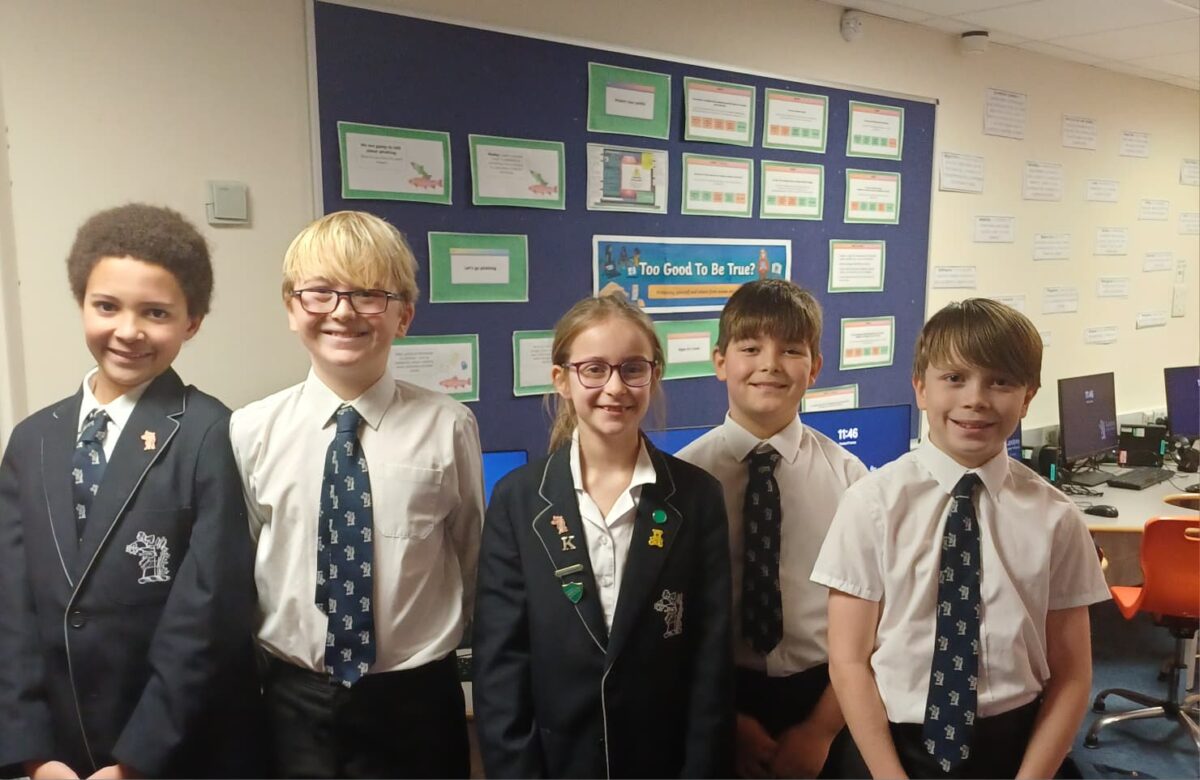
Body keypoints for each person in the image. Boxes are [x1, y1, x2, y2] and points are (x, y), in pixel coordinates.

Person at [0, 203, 262, 778]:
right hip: (59, 750)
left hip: (172, 749)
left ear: (191, 323)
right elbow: (11, 611)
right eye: (107, 306)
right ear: (82, 304)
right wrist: (32, 754)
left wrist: (134, 764)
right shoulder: (32, 440)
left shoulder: (209, 432)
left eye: (156, 312)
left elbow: (207, 621)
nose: (128, 330)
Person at [230, 211, 483, 778]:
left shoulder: (449, 426)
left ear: (404, 316)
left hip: (417, 703)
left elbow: (472, 558)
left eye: (369, 294)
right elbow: (242, 567)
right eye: (320, 292)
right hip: (295, 704)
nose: (343, 311)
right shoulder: (251, 430)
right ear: (291, 308)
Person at [813, 298, 1110, 778]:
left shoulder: (1057, 519)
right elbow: (848, 661)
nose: (976, 399)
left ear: (1028, 397)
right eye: (954, 378)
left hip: (1016, 748)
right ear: (920, 388)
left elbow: (1073, 675)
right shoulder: (870, 505)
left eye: (1001, 381)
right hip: (890, 747)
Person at [472, 292, 734, 778]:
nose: (615, 387)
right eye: (594, 369)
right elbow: (500, 668)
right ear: (562, 379)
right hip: (556, 764)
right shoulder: (518, 500)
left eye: (632, 368)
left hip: (663, 763)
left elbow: (710, 664)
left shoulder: (696, 497)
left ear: (654, 375)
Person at [678, 279, 866, 778]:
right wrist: (726, 722)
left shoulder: (851, 480)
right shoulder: (682, 480)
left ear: (815, 367)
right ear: (720, 362)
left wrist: (821, 730)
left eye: (791, 350)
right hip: (715, 694)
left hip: (827, 694)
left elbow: (874, 619)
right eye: (750, 348)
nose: (770, 364)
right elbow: (671, 621)